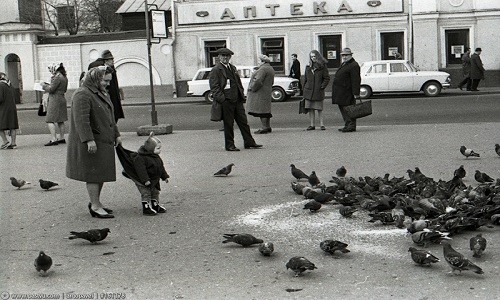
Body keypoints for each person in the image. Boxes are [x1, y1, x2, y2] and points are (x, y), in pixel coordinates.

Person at [66, 66, 122, 219]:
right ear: (95, 78)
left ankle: (96, 202)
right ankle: (95, 205)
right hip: (92, 142)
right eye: (105, 80)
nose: (107, 84)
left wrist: (116, 134)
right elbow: (81, 121)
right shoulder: (82, 94)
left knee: (101, 172)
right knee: (93, 174)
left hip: (104, 139)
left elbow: (111, 116)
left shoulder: (100, 92)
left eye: (109, 81)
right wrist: (89, 140)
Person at [209, 47, 262, 151]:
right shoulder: (216, 70)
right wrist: (223, 99)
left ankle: (249, 142)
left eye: (227, 56)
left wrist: (241, 93)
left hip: (237, 100)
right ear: (219, 57)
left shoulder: (232, 68)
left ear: (230, 57)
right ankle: (229, 145)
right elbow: (214, 87)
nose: (225, 58)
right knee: (228, 124)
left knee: (243, 122)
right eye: (223, 56)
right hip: (226, 101)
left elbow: (238, 82)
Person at [119, 132, 169, 216]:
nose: (160, 150)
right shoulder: (140, 158)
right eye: (158, 148)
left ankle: (155, 205)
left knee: (155, 192)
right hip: (143, 181)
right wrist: (145, 180)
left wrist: (164, 177)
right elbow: (141, 170)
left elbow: (161, 167)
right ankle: (146, 208)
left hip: (154, 179)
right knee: (146, 193)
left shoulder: (156, 157)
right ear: (150, 148)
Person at [88, 50, 125, 122]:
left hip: (112, 95)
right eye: (111, 59)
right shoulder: (101, 68)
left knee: (113, 117)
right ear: (106, 60)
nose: (113, 61)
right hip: (107, 95)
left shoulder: (111, 68)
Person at [331, 48, 361, 133]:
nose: (344, 57)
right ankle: (347, 125)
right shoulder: (345, 64)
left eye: (346, 55)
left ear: (351, 55)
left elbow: (356, 80)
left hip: (347, 91)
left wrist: (356, 93)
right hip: (341, 91)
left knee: (349, 109)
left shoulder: (354, 65)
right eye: (343, 55)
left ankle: (351, 126)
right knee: (343, 109)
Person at [246, 55, 275, 134]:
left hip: (260, 92)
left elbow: (258, 80)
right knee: (266, 109)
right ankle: (268, 126)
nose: (258, 62)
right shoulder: (270, 68)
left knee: (261, 110)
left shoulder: (263, 69)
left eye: (259, 61)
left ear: (263, 61)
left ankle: (264, 127)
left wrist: (252, 88)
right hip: (267, 91)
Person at [302, 50, 330, 131]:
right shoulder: (308, 67)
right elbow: (305, 79)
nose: (313, 58)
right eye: (311, 56)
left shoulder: (322, 66)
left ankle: (322, 124)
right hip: (308, 91)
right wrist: (304, 89)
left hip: (318, 91)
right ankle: (312, 125)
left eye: (314, 56)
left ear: (317, 56)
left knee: (319, 108)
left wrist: (322, 86)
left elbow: (327, 78)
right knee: (310, 108)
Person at [42, 63, 68, 146]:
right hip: (62, 98)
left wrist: (43, 86)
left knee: (50, 119)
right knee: (61, 120)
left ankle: (53, 139)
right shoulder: (64, 77)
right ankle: (62, 137)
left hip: (55, 99)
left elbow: (51, 89)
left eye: (51, 70)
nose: (51, 72)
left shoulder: (57, 77)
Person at [0, 72, 19, 149]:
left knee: (0, 126)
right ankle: (13, 143)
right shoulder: (10, 85)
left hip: (3, 108)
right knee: (12, 126)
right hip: (12, 107)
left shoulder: (0, 85)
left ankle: (5, 141)